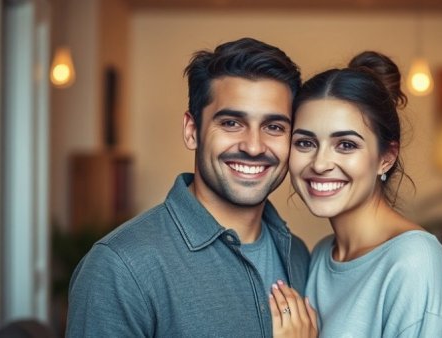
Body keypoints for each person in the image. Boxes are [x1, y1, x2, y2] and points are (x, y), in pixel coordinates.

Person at [66, 37, 313, 337]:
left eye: (274, 127)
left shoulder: (297, 254)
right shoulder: (119, 267)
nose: (253, 146)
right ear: (192, 131)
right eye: (231, 123)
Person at [288, 51, 442, 337]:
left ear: (386, 157)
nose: (319, 163)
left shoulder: (413, 260)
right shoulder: (320, 256)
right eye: (305, 142)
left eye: (345, 145)